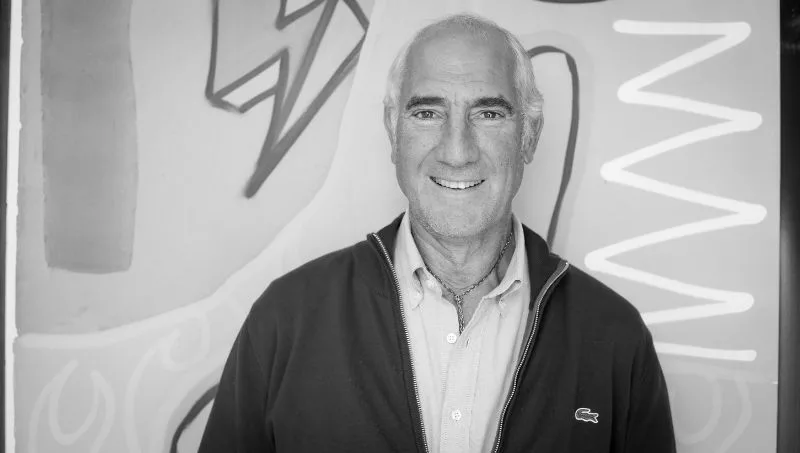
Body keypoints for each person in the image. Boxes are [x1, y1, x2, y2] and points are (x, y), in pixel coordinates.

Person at [198, 13, 675, 453]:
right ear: (393, 130)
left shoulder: (615, 338)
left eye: (488, 114)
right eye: (427, 113)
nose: (457, 151)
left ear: (529, 135)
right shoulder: (286, 321)